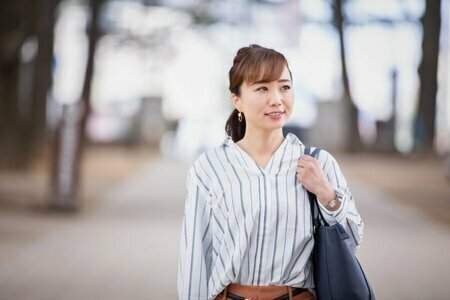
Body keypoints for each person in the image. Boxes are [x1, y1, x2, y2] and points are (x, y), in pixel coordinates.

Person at [177, 44, 364, 300]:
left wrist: (325, 192)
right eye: (262, 88)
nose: (277, 99)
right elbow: (194, 261)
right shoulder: (209, 169)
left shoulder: (318, 163)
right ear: (237, 99)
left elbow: (352, 241)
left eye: (285, 87)